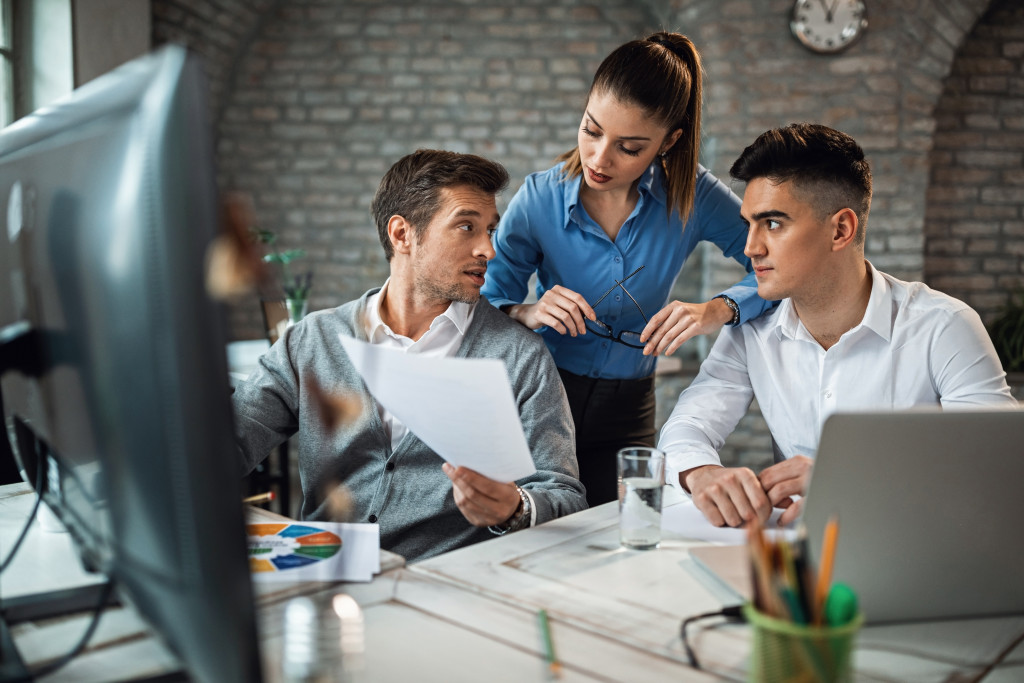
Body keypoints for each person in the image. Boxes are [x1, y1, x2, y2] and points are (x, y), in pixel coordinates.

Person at [232, 149, 587, 562]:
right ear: (402, 235)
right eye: (466, 226)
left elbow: (563, 495)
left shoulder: (518, 356)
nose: (488, 249)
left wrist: (515, 508)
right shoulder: (314, 339)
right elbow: (229, 442)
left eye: (490, 229)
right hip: (324, 578)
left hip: (445, 587)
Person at [658, 123, 1018, 528]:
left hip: (921, 556)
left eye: (773, 223)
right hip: (796, 564)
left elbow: (999, 466)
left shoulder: (945, 326)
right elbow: (686, 428)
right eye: (749, 224)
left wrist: (849, 480)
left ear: (841, 229)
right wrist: (703, 474)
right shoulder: (749, 332)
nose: (750, 247)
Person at [481, 32, 773, 505]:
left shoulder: (694, 196)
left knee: (627, 534)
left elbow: (777, 265)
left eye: (629, 147)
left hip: (632, 407)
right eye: (591, 130)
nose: (599, 158)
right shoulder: (538, 199)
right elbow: (482, 303)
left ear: (668, 141)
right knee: (534, 532)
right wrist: (525, 312)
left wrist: (717, 310)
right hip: (540, 398)